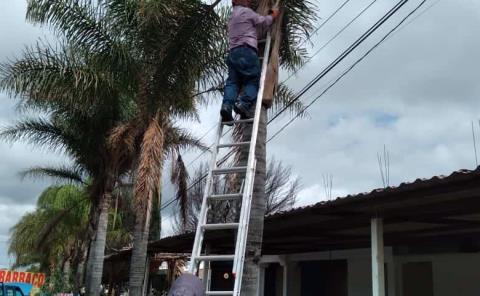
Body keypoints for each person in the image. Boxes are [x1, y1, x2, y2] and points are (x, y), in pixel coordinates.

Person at [220, 0, 279, 124]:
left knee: (233, 82)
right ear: (236, 1)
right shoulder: (247, 12)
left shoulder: (231, 17)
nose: (249, 0)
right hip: (246, 51)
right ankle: (243, 104)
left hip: (233, 53)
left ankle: (226, 106)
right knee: (252, 80)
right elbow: (264, 22)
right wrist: (272, 15)